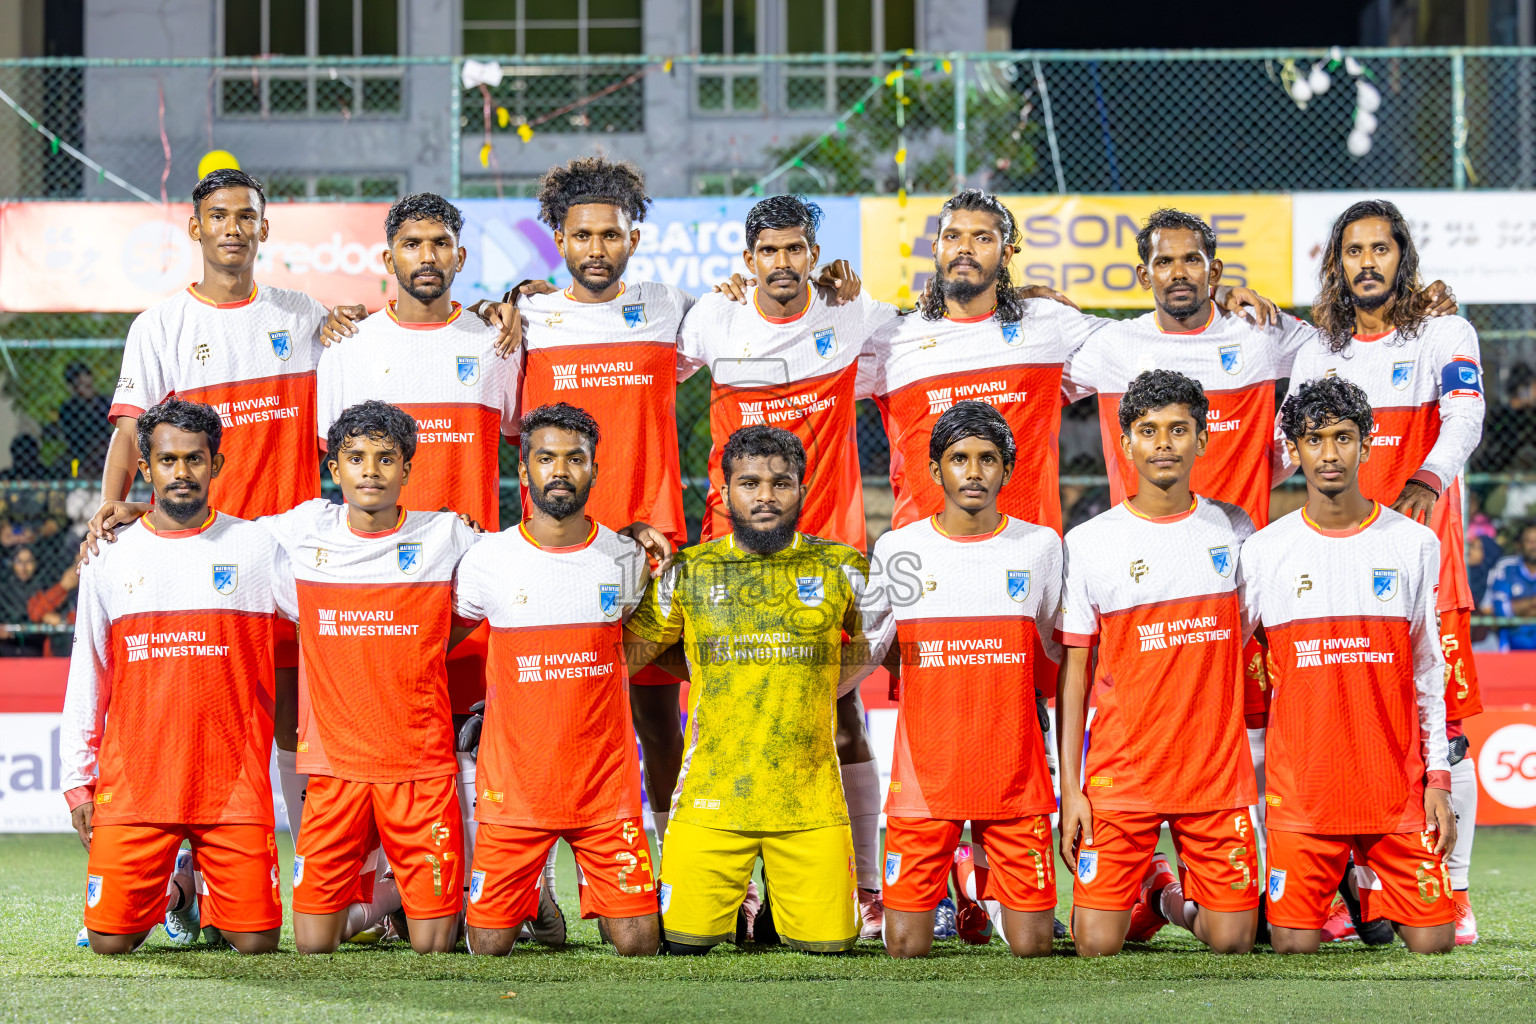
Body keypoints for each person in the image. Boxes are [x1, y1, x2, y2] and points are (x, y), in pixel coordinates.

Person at [672, 195, 895, 936]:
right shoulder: (711, 319)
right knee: (717, 715)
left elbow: (941, 324)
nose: (782, 263)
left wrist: (1030, 297)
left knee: (841, 712)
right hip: (730, 554)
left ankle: (864, 888)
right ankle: (728, 886)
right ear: (748, 260)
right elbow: (633, 356)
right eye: (767, 251)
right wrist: (522, 297)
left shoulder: (852, 314)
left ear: (812, 253)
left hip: (824, 554)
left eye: (795, 249)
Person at [1285, 199, 1484, 945]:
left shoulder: (1443, 331)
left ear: (1402, 255)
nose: (1367, 263)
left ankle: (1455, 892)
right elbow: (1286, 443)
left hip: (1428, 564)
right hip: (1335, 566)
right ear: (1336, 263)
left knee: (1449, 730)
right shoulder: (1317, 350)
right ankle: (1355, 879)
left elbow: (1466, 413)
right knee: (1341, 720)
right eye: (1353, 251)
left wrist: (1428, 480)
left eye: (1380, 248)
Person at [622, 426, 886, 954]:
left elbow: (873, 642)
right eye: (749, 483)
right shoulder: (689, 570)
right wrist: (709, 664)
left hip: (810, 804)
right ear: (724, 492)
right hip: (710, 803)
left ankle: (777, 907)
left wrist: (811, 673)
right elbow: (629, 655)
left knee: (829, 949)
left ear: (801, 489)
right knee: (681, 944)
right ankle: (744, 903)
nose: (765, 496)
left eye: (780, 483)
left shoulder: (843, 565)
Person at [60, 397, 283, 954]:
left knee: (255, 944)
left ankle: (191, 884)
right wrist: (76, 779)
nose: (181, 473)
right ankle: (181, 895)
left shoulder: (259, 548)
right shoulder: (109, 555)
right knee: (111, 943)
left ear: (217, 464)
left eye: (195, 460)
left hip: (231, 783)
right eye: (167, 461)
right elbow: (88, 667)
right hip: (137, 780)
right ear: (146, 469)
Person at [1241, 376, 1456, 955]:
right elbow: (1226, 654)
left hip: (1393, 788)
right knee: (1291, 946)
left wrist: (1439, 778)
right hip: (1303, 791)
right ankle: (1348, 887)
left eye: (1343, 438)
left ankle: (1364, 886)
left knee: (1434, 942)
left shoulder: (1412, 543)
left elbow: (1429, 671)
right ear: (1295, 449)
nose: (1329, 454)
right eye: (1314, 440)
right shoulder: (1264, 551)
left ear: (1367, 445)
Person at [1056, 370, 1261, 956]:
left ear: (1203, 439)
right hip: (1123, 774)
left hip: (1214, 773)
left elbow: (1245, 632)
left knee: (1233, 941)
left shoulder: (1236, 530)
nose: (1163, 443)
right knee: (1096, 945)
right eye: (1148, 430)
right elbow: (1075, 671)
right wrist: (1072, 788)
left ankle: (1163, 896)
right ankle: (1155, 889)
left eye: (1178, 429)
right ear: (1126, 443)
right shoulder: (1092, 541)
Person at [264, 400, 478, 955]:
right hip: (333, 773)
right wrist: (137, 510)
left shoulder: (450, 536)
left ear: (408, 467)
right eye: (355, 458)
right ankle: (373, 910)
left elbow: (516, 570)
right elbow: (216, 536)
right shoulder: (303, 528)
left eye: (386, 459)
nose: (370, 471)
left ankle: (389, 908)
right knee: (312, 946)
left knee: (436, 947)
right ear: (334, 467)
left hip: (420, 769)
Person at [455, 402, 658, 956]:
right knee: (488, 946)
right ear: (524, 471)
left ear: (595, 468)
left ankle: (590, 891)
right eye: (545, 459)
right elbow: (438, 643)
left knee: (639, 946)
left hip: (604, 792)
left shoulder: (626, 557)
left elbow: (632, 648)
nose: (560, 471)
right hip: (514, 791)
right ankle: (535, 896)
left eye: (575, 459)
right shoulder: (486, 559)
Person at [866, 401, 1062, 958]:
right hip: (925, 780)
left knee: (1034, 949)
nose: (973, 472)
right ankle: (966, 883)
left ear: (1008, 468)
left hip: (1016, 777)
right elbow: (873, 646)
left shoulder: (1041, 547)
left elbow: (1053, 647)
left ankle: (980, 892)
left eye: (987, 459)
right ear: (935, 470)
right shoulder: (899, 549)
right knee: (903, 947)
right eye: (958, 459)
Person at [1486, 520, 1536, 651]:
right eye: (1529, 541)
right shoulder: (1506, 567)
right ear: (1520, 544)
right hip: (1511, 648)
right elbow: (1502, 612)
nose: (1534, 546)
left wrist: (1520, 607)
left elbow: (1512, 610)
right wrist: (1532, 602)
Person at [55, 363, 112, 473]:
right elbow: (71, 438)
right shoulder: (68, 409)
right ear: (72, 388)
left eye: (90, 385)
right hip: (79, 455)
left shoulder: (103, 403)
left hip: (104, 451)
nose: (90, 390)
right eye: (84, 386)